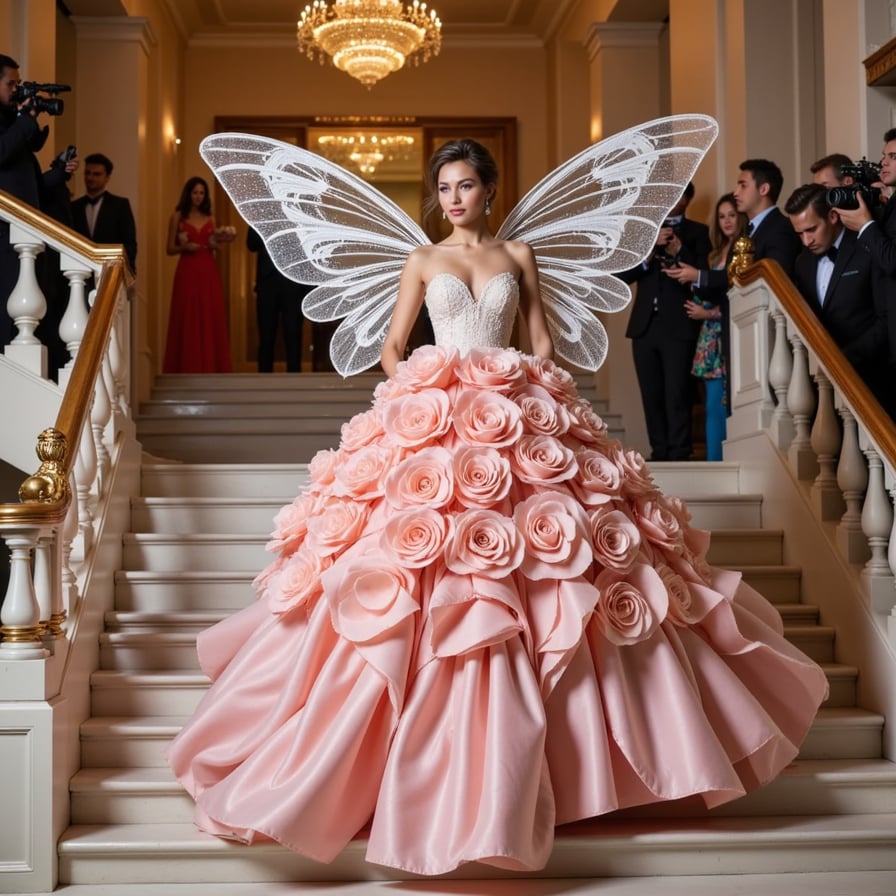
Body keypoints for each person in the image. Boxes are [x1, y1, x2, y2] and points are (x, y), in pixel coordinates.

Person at [166, 138, 828, 876]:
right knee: (428, 567)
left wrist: (541, 390)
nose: (453, 199)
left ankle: (587, 764)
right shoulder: (422, 260)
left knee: (558, 565)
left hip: (520, 415)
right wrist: (428, 384)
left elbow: (540, 338)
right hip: (441, 416)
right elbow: (392, 346)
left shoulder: (519, 255)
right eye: (443, 187)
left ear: (488, 190)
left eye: (465, 186)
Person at [785, 182, 896, 417]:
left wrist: (845, 358)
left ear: (833, 216)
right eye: (799, 233)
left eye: (811, 229)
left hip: (874, 378)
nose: (806, 241)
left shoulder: (866, 247)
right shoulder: (802, 262)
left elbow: (886, 319)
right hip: (826, 384)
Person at [621, 182, 711, 461]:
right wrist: (649, 252)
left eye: (677, 195)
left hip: (680, 324)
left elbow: (705, 274)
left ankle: (680, 452)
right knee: (651, 394)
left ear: (686, 200)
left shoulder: (698, 232)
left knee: (678, 392)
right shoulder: (645, 231)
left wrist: (680, 249)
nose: (671, 200)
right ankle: (659, 452)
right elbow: (624, 276)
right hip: (644, 326)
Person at [0, 53, 78, 348]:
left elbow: (31, 188)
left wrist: (59, 172)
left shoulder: (13, 124)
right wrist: (24, 119)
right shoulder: (12, 127)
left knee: (25, 316)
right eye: (11, 83)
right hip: (4, 233)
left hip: (23, 234)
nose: (16, 90)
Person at [665, 193, 747, 459]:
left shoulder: (744, 249)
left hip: (729, 331)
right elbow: (711, 288)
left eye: (732, 215)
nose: (726, 221)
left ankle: (725, 462)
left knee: (725, 404)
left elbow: (739, 294)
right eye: (722, 216)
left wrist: (709, 313)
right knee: (712, 405)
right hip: (710, 338)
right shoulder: (716, 252)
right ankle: (714, 462)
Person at [162, 176, 233, 374]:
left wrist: (217, 242)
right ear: (188, 194)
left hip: (208, 267)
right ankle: (186, 365)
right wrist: (184, 246)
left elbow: (216, 245)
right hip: (187, 267)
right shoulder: (177, 217)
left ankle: (212, 366)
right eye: (195, 192)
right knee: (187, 313)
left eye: (202, 193)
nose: (198, 196)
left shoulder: (211, 217)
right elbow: (169, 248)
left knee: (209, 313)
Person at [246, 226, 310, 372]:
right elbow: (251, 244)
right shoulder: (260, 213)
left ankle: (295, 382)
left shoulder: (296, 211)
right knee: (266, 336)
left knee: (293, 334)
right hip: (267, 282)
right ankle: (263, 382)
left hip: (293, 282)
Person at [733, 158, 801, 279]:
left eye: (743, 186)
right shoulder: (747, 228)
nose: (736, 193)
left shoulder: (781, 229)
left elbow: (776, 280)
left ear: (764, 189)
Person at [70, 152, 137, 272]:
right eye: (87, 173)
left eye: (97, 174)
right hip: (80, 272)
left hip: (111, 272)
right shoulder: (74, 207)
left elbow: (129, 244)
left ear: (107, 177)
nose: (90, 178)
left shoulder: (120, 205)